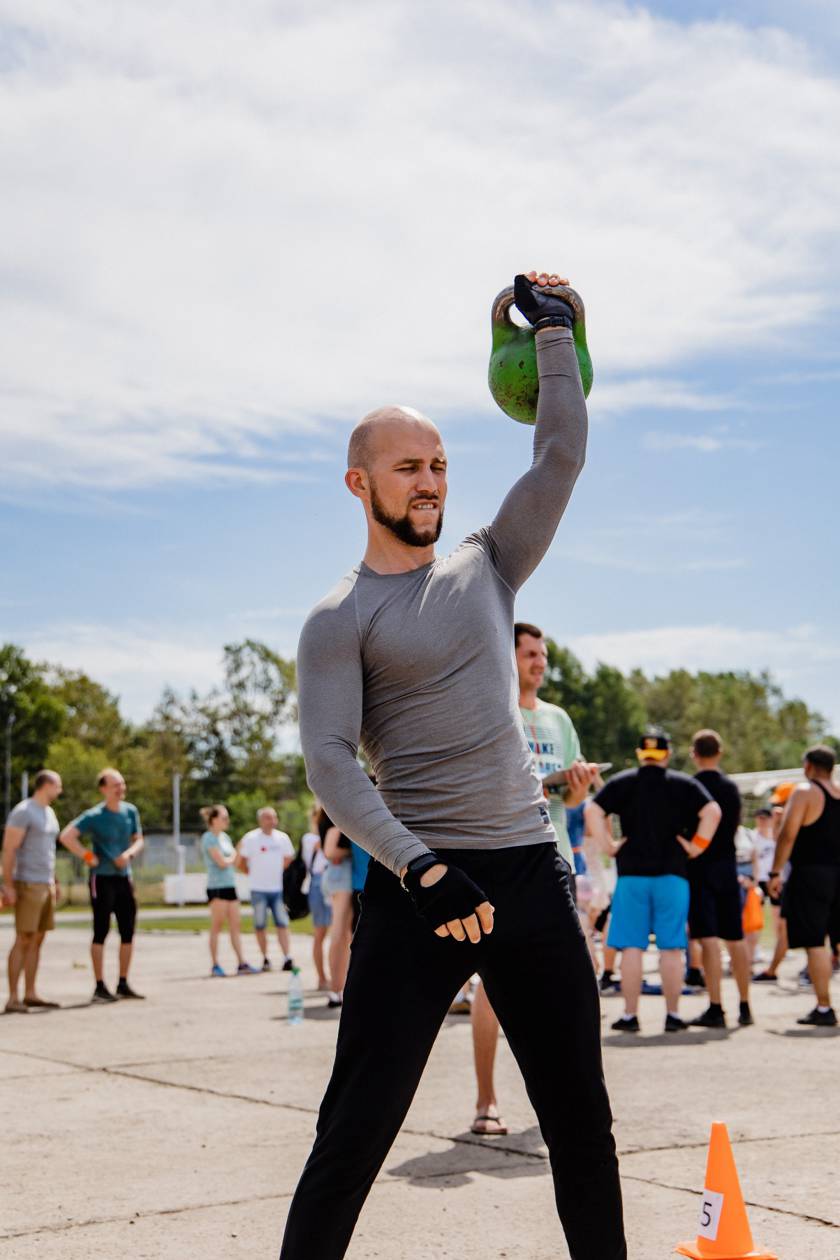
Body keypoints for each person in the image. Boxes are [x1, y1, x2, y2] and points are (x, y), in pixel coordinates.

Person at [281, 270, 626, 1260]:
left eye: (437, 464)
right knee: (353, 1133)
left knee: (582, 1127)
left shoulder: (490, 563)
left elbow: (559, 454)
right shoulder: (340, 618)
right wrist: (422, 869)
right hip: (418, 887)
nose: (429, 481)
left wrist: (554, 335)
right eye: (406, 468)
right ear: (361, 484)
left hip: (526, 876)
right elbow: (330, 763)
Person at [469, 619, 598, 1136]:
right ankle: (486, 1100)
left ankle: (567, 1106)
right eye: (529, 654)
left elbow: (574, 801)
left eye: (543, 655)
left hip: (555, 858)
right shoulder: (488, 710)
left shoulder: (558, 719)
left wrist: (578, 782)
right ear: (509, 657)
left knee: (569, 984)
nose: (539, 662)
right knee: (493, 984)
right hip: (499, 858)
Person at [587, 728, 721, 1033]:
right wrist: (696, 847)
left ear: (640, 754)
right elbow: (713, 811)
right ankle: (672, 1015)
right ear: (667, 754)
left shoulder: (623, 782)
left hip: (632, 874)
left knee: (631, 947)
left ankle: (630, 1016)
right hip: (673, 874)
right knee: (671, 948)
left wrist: (608, 845)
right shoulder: (683, 783)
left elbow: (593, 809)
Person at [59, 767, 145, 1003]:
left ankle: (123, 983)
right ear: (103, 789)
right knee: (101, 930)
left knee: (128, 930)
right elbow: (66, 836)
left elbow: (139, 840)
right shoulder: (94, 815)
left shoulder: (130, 811)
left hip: (124, 877)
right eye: (115, 785)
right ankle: (99, 986)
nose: (121, 788)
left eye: (122, 784)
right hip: (102, 878)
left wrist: (128, 854)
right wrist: (88, 856)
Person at [686, 730, 754, 1029]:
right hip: (728, 866)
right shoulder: (731, 787)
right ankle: (745, 1004)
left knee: (708, 939)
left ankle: (716, 1006)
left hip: (700, 867)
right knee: (736, 938)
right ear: (720, 752)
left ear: (694, 754)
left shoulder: (691, 786)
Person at [768, 745, 840, 1026]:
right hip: (837, 874)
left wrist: (775, 872)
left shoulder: (805, 792)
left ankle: (824, 1007)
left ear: (808, 766)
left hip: (812, 876)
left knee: (814, 942)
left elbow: (788, 834)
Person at [2, 770, 63, 1013]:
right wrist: (8, 885)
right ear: (46, 784)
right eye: (58, 785)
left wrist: (54, 881)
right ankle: (12, 997)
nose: (60, 790)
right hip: (27, 882)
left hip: (45, 883)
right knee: (23, 938)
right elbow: (9, 849)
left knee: (38, 939)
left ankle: (30, 993)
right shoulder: (23, 811)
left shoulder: (49, 813)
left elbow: (48, 851)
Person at [200, 804, 257, 977]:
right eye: (223, 818)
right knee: (217, 926)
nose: (227, 821)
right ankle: (215, 965)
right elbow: (222, 863)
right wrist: (237, 852)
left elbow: (234, 861)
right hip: (217, 887)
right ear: (213, 820)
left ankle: (241, 963)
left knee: (235, 925)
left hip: (230, 885)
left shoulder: (224, 837)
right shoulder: (208, 838)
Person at [238, 807, 296, 972]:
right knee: (260, 925)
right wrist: (251, 873)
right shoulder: (251, 838)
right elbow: (241, 862)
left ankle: (287, 957)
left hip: (277, 889)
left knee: (282, 923)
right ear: (260, 820)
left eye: (274, 817)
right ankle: (265, 958)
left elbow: (288, 858)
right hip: (258, 889)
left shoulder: (282, 838)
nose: (272, 821)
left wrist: (276, 871)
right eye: (268, 818)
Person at [753, 787, 795, 982]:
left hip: (801, 880)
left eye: (781, 804)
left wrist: (775, 875)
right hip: (783, 880)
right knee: (783, 926)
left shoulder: (802, 818)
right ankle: (771, 970)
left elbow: (783, 841)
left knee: (787, 926)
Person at [319, 806, 354, 1009]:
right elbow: (330, 851)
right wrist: (354, 847)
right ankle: (335, 988)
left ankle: (339, 986)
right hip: (340, 878)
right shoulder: (336, 824)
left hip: (339, 877)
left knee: (344, 935)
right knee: (338, 933)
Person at [301, 808, 332, 991]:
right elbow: (327, 849)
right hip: (319, 882)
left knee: (340, 933)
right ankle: (321, 977)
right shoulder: (310, 838)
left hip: (330, 880)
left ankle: (336, 975)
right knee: (320, 933)